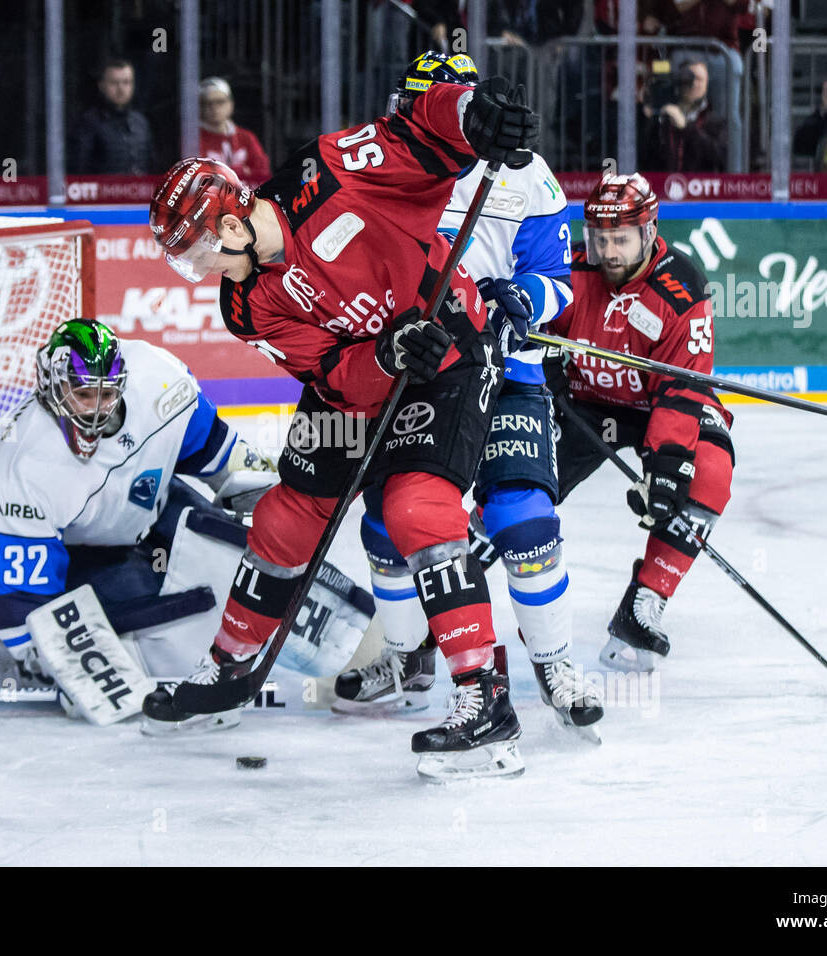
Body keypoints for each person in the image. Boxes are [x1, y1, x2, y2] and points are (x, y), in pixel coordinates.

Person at [147, 72, 539, 780]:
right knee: (283, 520)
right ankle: (229, 672)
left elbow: (418, 132)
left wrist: (473, 114)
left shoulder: (326, 174)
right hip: (367, 374)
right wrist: (384, 353)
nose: (199, 268)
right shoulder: (247, 305)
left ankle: (484, 704)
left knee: (416, 508)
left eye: (198, 251)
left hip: (448, 350)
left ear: (232, 224)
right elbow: (329, 370)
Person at [331, 51, 603, 737]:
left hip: (505, 367)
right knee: (390, 527)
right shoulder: (378, 166)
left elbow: (558, 281)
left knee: (523, 520)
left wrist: (525, 298)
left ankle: (554, 663)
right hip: (417, 369)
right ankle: (404, 658)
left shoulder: (526, 174)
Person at [0, 319, 305, 729]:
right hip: (87, 558)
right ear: (51, 388)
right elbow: (18, 599)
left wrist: (279, 513)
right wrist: (51, 664)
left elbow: (219, 457)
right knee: (157, 623)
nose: (97, 408)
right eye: (82, 394)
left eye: (107, 394)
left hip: (157, 515)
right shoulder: (24, 460)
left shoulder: (160, 381)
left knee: (229, 562)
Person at [548, 173, 735, 672]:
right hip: (585, 404)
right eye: (601, 238)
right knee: (515, 488)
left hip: (657, 407)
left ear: (649, 233)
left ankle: (642, 604)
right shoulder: (569, 267)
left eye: (621, 239)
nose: (608, 250)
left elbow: (683, 386)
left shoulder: (680, 288)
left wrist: (669, 463)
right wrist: (541, 367)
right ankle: (436, 629)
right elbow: (533, 327)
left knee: (708, 474)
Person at [639, 57, 728, 172]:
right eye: (689, 78)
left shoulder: (716, 120)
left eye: (700, 79)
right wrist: (650, 119)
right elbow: (644, 156)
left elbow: (720, 156)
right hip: (662, 185)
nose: (694, 84)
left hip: (701, 186)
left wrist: (686, 127)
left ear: (707, 84)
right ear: (679, 81)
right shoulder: (664, 114)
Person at [72, 60, 154, 175]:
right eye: (114, 83)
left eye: (126, 82)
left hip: (140, 191)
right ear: (101, 86)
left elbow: (151, 165)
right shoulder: (89, 123)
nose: (120, 89)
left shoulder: (141, 123)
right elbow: (81, 169)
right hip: (104, 191)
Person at [197, 77, 271, 188]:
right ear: (200, 107)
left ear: (230, 104)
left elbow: (263, 171)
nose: (214, 108)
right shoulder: (194, 138)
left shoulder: (246, 137)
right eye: (208, 103)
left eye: (220, 102)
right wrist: (244, 171)